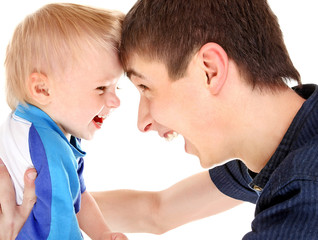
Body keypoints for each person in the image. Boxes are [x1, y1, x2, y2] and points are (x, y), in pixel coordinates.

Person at [1, 0, 318, 239]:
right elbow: (156, 211)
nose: (142, 122)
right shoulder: (279, 147)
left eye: (145, 87)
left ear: (210, 71)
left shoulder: (304, 195)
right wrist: (33, 202)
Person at [0, 3, 128, 240]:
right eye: (101, 88)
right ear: (42, 89)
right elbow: (60, 226)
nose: (115, 101)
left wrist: (103, 234)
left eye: (116, 86)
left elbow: (77, 196)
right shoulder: (50, 147)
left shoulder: (35, 125)